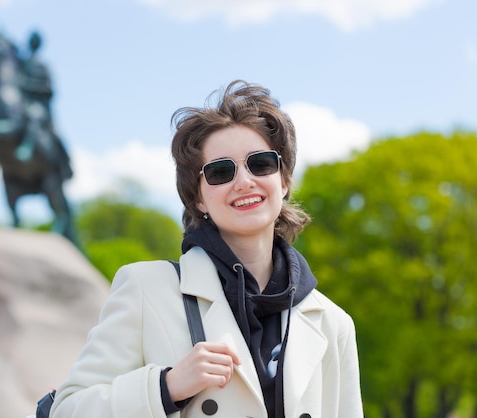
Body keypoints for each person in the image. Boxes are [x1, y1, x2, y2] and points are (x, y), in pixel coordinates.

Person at [49, 80, 364, 418]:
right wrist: (166, 388)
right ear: (198, 198)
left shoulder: (333, 322)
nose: (244, 181)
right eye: (220, 171)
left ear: (283, 181)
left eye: (260, 164)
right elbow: (68, 409)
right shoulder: (145, 288)